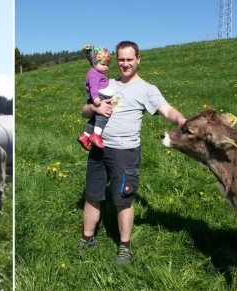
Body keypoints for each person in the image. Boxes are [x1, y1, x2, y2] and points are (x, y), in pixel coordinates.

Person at [77, 41, 186, 265]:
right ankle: (87, 239)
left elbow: (167, 110)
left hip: (125, 152)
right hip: (98, 148)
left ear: (138, 59)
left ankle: (124, 247)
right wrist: (94, 108)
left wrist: (182, 120)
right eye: (121, 60)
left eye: (129, 59)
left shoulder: (147, 89)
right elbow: (84, 110)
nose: (125, 64)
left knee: (123, 199)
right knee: (92, 195)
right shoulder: (106, 82)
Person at [77, 45, 114, 151]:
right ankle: (96, 135)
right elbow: (93, 87)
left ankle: (85, 135)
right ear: (94, 63)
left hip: (99, 95)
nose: (106, 67)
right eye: (103, 64)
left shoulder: (96, 72)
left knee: (94, 119)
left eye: (107, 65)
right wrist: (95, 98)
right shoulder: (94, 73)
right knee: (104, 114)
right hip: (99, 96)